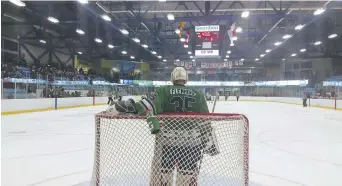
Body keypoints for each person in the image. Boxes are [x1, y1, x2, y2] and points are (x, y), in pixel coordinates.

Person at [107, 67, 218, 185]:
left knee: (164, 176)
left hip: (168, 142)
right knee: (186, 178)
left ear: (172, 78)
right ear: (186, 79)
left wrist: (126, 106)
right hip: (192, 144)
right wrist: (208, 140)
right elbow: (205, 120)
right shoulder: (198, 94)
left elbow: (147, 106)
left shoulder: (164, 91)